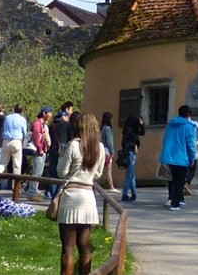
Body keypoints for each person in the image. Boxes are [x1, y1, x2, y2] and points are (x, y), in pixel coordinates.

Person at [56, 111, 109, 275]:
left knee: (68, 247)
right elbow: (99, 173)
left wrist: (60, 156)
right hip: (88, 198)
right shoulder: (100, 147)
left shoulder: (73, 145)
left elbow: (61, 172)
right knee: (84, 246)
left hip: (71, 196)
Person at [159, 104, 198, 209]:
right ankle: (176, 202)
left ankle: (172, 198)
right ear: (188, 115)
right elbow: (190, 144)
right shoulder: (188, 126)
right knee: (180, 181)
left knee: (171, 179)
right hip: (182, 157)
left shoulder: (171, 124)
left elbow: (165, 139)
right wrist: (192, 157)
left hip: (169, 156)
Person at [44, 102, 74, 200]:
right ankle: (58, 196)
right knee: (61, 174)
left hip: (52, 151)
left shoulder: (52, 125)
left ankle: (52, 196)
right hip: (63, 151)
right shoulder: (67, 125)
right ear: (64, 116)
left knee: (53, 175)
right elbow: (71, 138)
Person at [0, 103, 30, 188]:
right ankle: (16, 187)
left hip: (6, 141)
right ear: (22, 111)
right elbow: (24, 133)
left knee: (2, 164)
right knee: (17, 165)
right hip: (16, 141)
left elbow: (4, 128)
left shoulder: (7, 117)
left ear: (14, 109)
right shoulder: (22, 119)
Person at [119, 113, 144, 202]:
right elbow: (124, 143)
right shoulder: (129, 131)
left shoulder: (132, 130)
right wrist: (134, 146)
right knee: (129, 175)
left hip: (131, 154)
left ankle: (134, 194)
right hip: (129, 153)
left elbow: (142, 132)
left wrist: (142, 125)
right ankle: (125, 194)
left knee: (132, 175)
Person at [29, 106, 52, 198]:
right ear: (44, 113)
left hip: (43, 150)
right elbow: (36, 137)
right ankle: (32, 191)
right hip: (39, 151)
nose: (51, 115)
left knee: (39, 171)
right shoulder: (37, 124)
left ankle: (33, 188)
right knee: (37, 171)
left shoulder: (42, 124)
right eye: (49, 113)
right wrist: (40, 148)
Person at [98, 112, 116, 191]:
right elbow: (109, 141)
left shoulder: (102, 128)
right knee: (109, 170)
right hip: (107, 151)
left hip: (102, 150)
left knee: (99, 168)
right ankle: (111, 186)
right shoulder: (108, 129)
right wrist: (112, 151)